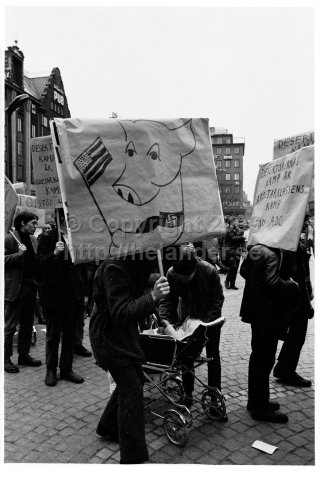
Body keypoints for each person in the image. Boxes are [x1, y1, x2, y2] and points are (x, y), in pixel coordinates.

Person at [89, 253, 169, 464]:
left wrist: (156, 280)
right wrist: (152, 297)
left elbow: (137, 281)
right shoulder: (114, 267)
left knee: (135, 380)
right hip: (109, 338)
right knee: (131, 388)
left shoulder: (138, 258)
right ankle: (133, 459)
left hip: (124, 336)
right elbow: (121, 311)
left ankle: (107, 426)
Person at [240, 244, 300, 422]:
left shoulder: (255, 248)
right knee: (265, 359)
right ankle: (260, 407)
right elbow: (273, 283)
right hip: (267, 313)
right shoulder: (273, 253)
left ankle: (256, 400)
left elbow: (244, 271)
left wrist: (255, 283)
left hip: (255, 311)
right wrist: (291, 285)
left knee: (258, 357)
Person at [159, 244, 224, 407]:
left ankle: (214, 399)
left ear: (195, 268)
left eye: (186, 277)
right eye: (180, 277)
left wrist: (203, 323)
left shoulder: (209, 271)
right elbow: (167, 301)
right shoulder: (172, 273)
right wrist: (166, 321)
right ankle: (187, 394)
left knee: (213, 357)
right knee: (185, 355)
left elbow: (217, 300)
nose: (183, 280)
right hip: (186, 318)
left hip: (209, 321)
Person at [37, 216, 85, 386]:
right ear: (61, 221)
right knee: (53, 335)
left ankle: (66, 369)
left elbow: (81, 267)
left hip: (72, 297)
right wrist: (55, 254)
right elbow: (40, 264)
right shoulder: (47, 238)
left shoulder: (77, 238)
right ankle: (51, 370)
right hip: (53, 297)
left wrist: (82, 293)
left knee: (70, 335)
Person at [273, 216, 314, 387]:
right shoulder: (293, 246)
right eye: (303, 222)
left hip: (293, 299)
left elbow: (304, 276)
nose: (306, 225)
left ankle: (283, 367)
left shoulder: (291, 243)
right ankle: (286, 370)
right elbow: (298, 279)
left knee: (294, 336)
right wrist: (306, 304)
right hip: (296, 301)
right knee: (297, 336)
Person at [4, 211, 42, 373]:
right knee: (10, 325)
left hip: (30, 287)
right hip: (15, 289)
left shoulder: (33, 239)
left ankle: (23, 355)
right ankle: (5, 359)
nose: (35, 226)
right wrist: (19, 254)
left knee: (27, 324)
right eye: (33, 223)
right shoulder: (10, 238)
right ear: (22, 223)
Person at [224, 217, 245, 290]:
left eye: (237, 221)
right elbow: (233, 238)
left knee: (235, 268)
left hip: (237, 252)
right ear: (232, 222)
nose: (237, 222)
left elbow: (240, 240)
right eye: (235, 221)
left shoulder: (237, 230)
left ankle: (232, 284)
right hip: (230, 251)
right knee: (233, 267)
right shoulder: (229, 230)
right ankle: (227, 281)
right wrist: (243, 237)